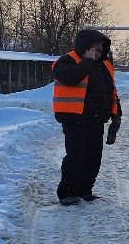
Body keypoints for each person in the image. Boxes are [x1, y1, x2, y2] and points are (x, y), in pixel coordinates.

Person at [52, 28, 122, 205]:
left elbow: (111, 91)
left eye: (100, 50)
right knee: (75, 157)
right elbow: (70, 78)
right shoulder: (67, 61)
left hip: (96, 120)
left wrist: (116, 115)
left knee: (93, 158)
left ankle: (85, 190)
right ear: (84, 47)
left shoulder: (104, 65)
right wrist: (88, 61)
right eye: (95, 49)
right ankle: (67, 193)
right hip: (74, 120)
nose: (98, 53)